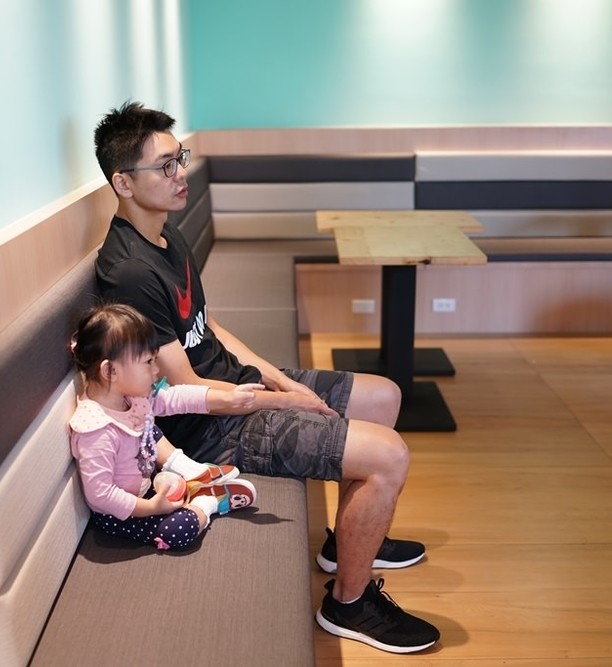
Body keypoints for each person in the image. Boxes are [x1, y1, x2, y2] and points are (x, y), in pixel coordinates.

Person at [92, 101, 440, 653]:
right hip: (211, 428)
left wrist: (279, 380)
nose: (181, 174)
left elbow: (209, 327)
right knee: (389, 455)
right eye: (165, 165)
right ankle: (349, 605)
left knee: (384, 396)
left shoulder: (166, 236)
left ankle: (346, 544)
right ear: (124, 183)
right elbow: (186, 391)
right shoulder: (129, 273)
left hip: (239, 388)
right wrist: (283, 403)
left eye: (180, 158)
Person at [69, 302, 263, 551]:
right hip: (120, 513)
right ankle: (208, 501)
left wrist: (226, 398)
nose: (156, 370)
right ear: (110, 371)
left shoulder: (131, 398)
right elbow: (101, 496)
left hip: (146, 486)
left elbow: (176, 398)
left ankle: (189, 481)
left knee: (148, 426)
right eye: (148, 362)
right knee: (179, 530)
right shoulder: (97, 430)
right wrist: (151, 508)